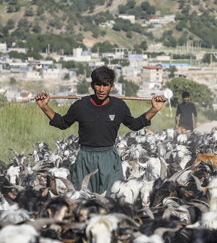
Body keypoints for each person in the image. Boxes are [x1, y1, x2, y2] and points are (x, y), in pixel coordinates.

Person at [35, 66, 165, 194]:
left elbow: (135, 125)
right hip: (85, 159)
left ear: (112, 87)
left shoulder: (119, 106)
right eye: (98, 85)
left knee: (112, 197)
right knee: (83, 199)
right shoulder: (80, 105)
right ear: (92, 85)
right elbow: (62, 123)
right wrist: (44, 107)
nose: (101, 89)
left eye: (105, 85)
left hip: (109, 159)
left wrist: (154, 109)